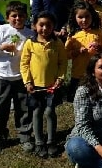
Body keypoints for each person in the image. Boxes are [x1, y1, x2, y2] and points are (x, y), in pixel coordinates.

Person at [0, 1, 34, 154]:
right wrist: (2, 47)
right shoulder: (2, 30)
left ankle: (25, 136)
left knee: (24, 108)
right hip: (2, 76)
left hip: (21, 77)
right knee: (1, 107)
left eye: (21, 16)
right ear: (7, 18)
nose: (17, 18)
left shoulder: (30, 34)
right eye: (14, 16)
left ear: (26, 17)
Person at [20, 11, 67, 158]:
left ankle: (51, 142)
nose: (45, 28)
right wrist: (27, 82)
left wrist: (60, 78)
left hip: (52, 86)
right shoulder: (30, 42)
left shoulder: (57, 43)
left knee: (49, 112)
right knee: (37, 112)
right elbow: (24, 64)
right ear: (34, 26)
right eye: (41, 25)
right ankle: (39, 143)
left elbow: (63, 63)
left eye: (48, 25)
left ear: (53, 26)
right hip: (34, 86)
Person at [65, 0, 102, 102]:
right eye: (80, 17)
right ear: (74, 18)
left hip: (94, 74)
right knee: (75, 100)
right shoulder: (73, 35)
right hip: (77, 74)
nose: (84, 20)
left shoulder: (98, 33)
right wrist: (77, 51)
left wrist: (99, 48)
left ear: (92, 16)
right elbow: (66, 54)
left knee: (94, 99)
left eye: (87, 16)